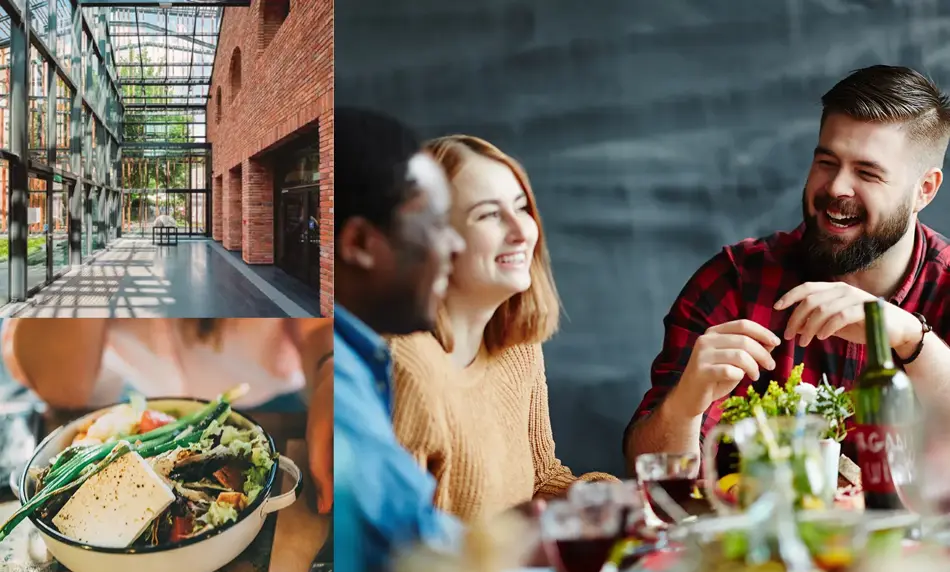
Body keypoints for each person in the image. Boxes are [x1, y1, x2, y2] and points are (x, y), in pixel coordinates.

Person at [624, 65, 950, 472]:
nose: (835, 188)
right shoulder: (735, 282)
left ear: (925, 189)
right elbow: (649, 472)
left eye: (867, 173)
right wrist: (683, 408)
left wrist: (908, 337)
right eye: (827, 162)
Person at [390, 135, 616, 522]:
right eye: (489, 215)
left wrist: (609, 498)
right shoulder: (406, 367)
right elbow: (404, 555)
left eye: (521, 207)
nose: (522, 231)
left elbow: (543, 478)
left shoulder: (517, 345)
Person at [333, 107, 466, 572]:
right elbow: (407, 549)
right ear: (361, 244)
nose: (453, 245)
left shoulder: (358, 358)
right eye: (436, 224)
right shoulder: (336, 374)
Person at [1, 318, 335, 512]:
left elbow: (320, 326)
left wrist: (331, 373)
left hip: (280, 405)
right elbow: (60, 383)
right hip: (134, 407)